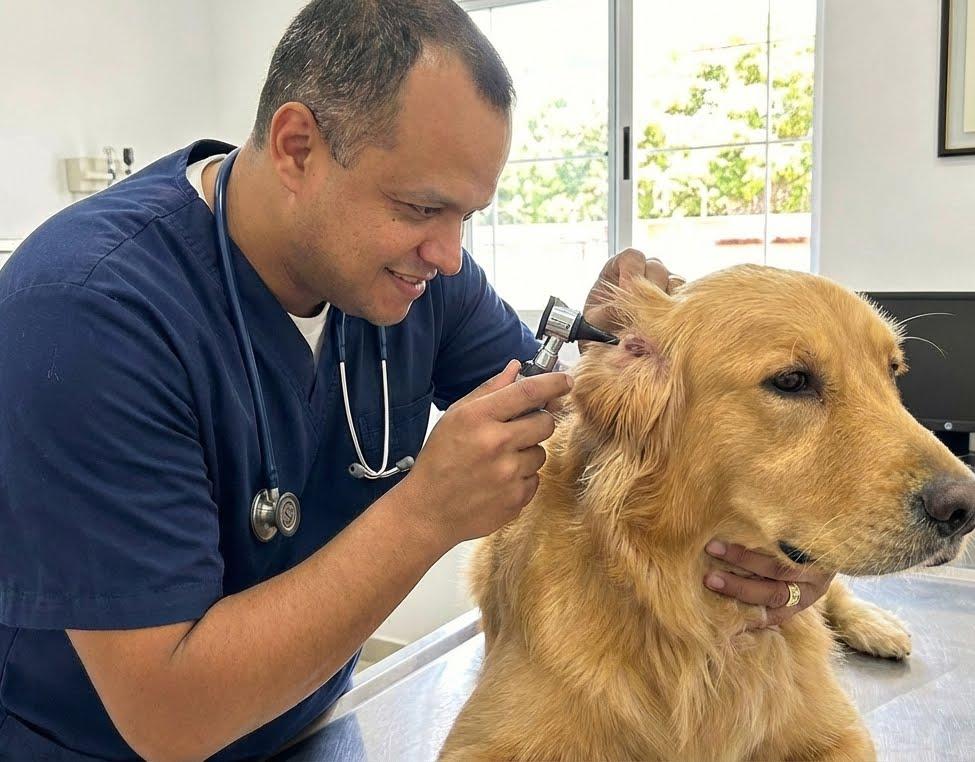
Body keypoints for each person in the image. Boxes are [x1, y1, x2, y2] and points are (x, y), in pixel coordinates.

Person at [0, 1, 831, 759]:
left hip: (307, 715)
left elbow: (574, 429)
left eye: (466, 216)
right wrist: (425, 515)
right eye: (419, 208)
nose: (448, 254)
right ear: (297, 149)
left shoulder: (418, 277)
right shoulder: (83, 313)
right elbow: (169, 717)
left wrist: (803, 541)